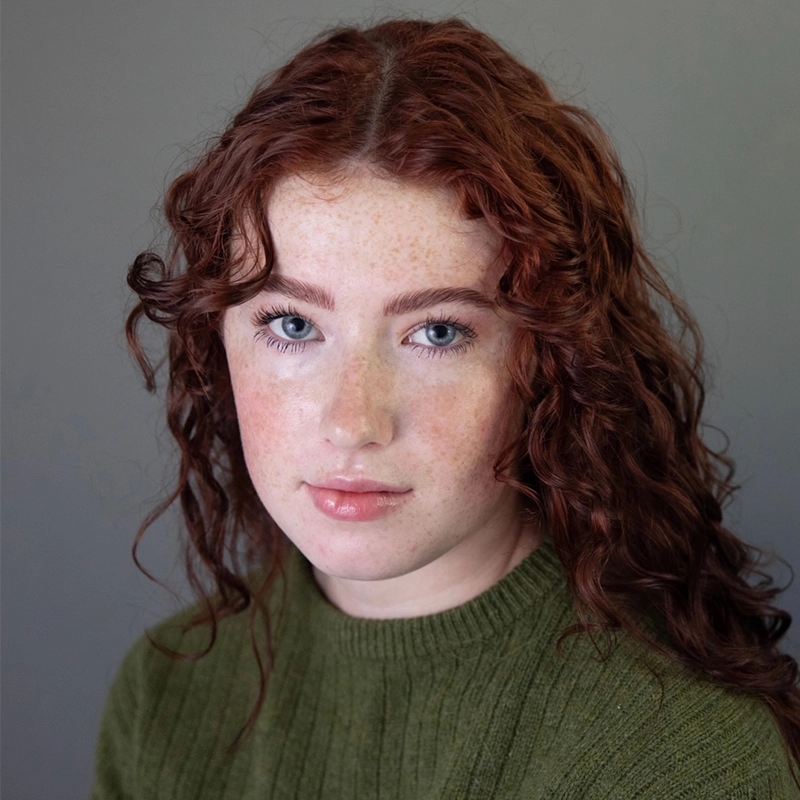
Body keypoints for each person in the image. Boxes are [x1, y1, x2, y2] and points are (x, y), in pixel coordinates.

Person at [93, 17, 800, 799]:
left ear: (552, 360)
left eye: (437, 332)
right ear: (215, 339)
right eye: (292, 325)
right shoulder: (166, 699)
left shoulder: (672, 756)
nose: (354, 421)